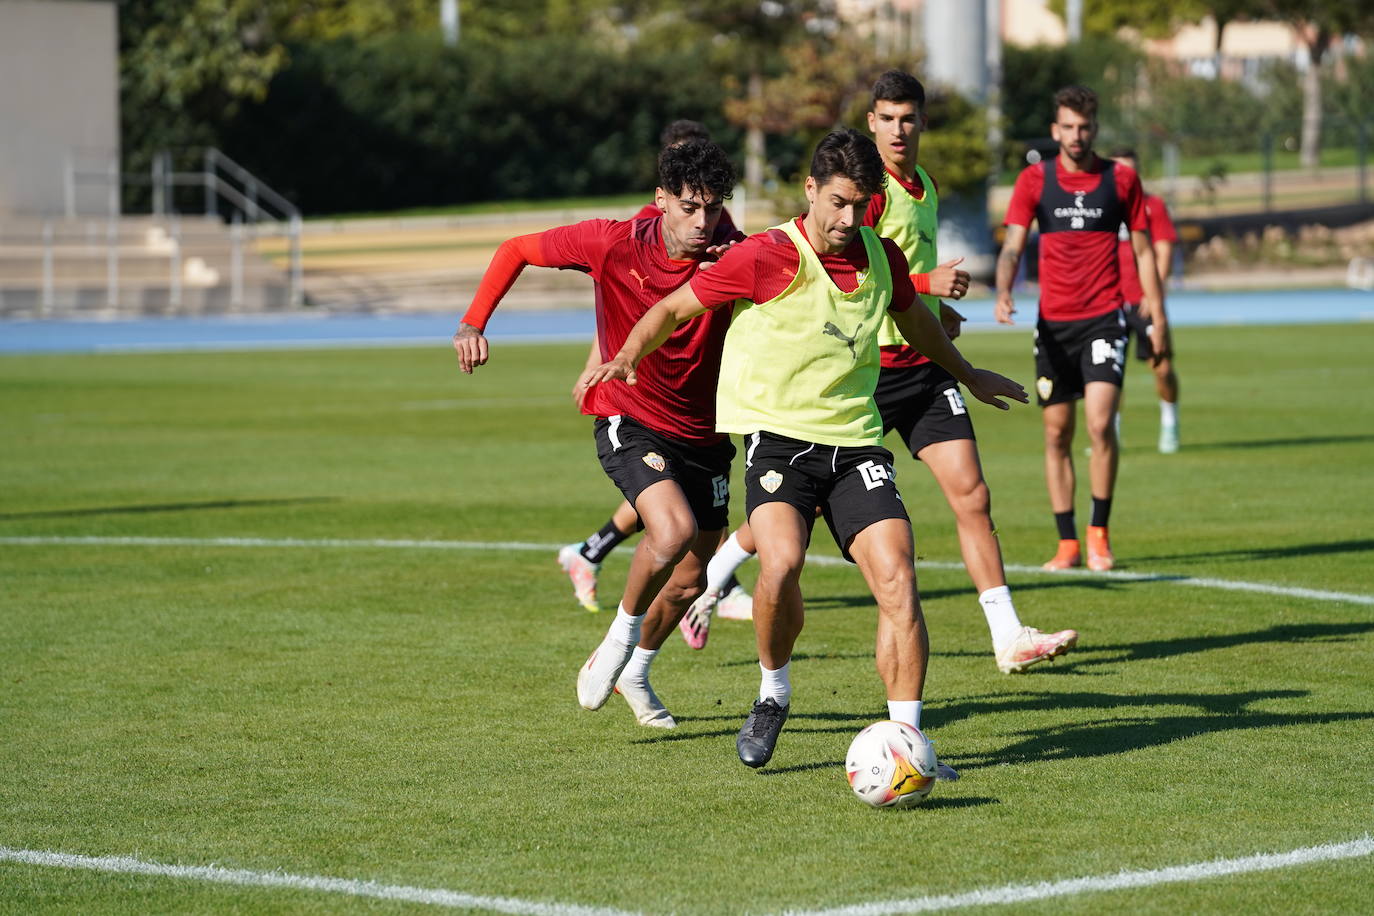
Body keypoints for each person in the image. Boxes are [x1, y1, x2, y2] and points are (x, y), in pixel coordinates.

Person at [581, 129, 1028, 768]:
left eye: (862, 205)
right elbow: (674, 309)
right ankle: (773, 693)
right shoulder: (765, 257)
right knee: (782, 562)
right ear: (811, 190)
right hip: (779, 442)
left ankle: (907, 738)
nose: (850, 219)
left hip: (855, 442)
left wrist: (968, 371)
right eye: (839, 202)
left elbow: (912, 317)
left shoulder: (880, 254)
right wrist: (626, 354)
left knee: (899, 578)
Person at [679, 70, 1079, 674]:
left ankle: (1007, 635)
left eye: (909, 118)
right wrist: (927, 286)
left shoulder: (924, 186)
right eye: (887, 118)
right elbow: (847, 263)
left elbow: (896, 279)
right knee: (791, 516)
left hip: (921, 366)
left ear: (922, 122)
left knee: (971, 493)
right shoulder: (866, 188)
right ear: (871, 123)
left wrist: (937, 315)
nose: (899, 129)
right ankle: (707, 587)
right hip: (862, 373)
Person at [454, 138, 741, 730]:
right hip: (629, 416)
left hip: (706, 435)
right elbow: (517, 248)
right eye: (689, 206)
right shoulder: (612, 241)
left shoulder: (732, 254)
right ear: (660, 200)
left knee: (692, 579)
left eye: (712, 208)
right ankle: (614, 643)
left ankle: (636, 671)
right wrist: (473, 322)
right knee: (673, 528)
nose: (700, 220)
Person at [556, 119, 749, 617]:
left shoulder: (720, 225)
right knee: (670, 512)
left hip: (703, 398)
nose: (700, 214)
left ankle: (593, 553)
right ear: (664, 188)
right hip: (648, 391)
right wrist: (599, 363)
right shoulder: (648, 225)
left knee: (682, 512)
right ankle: (711, 593)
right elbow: (626, 300)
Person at [995, 85, 1169, 572]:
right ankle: (1067, 542)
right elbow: (1012, 246)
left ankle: (1099, 536)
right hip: (1053, 326)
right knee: (1056, 433)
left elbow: (1143, 251)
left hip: (1103, 320)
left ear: (1096, 130)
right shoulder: (1034, 180)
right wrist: (1004, 289)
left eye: (1084, 127)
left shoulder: (1121, 180)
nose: (1076, 135)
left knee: (1098, 423)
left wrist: (1154, 315)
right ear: (1056, 131)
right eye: (1067, 127)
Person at [1109, 147, 1181, 454]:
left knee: (1161, 367)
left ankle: (1170, 424)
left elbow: (1162, 251)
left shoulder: (1152, 205)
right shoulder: (1098, 209)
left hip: (1144, 302)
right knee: (1108, 376)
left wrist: (1155, 295)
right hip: (1109, 303)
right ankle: (1109, 435)